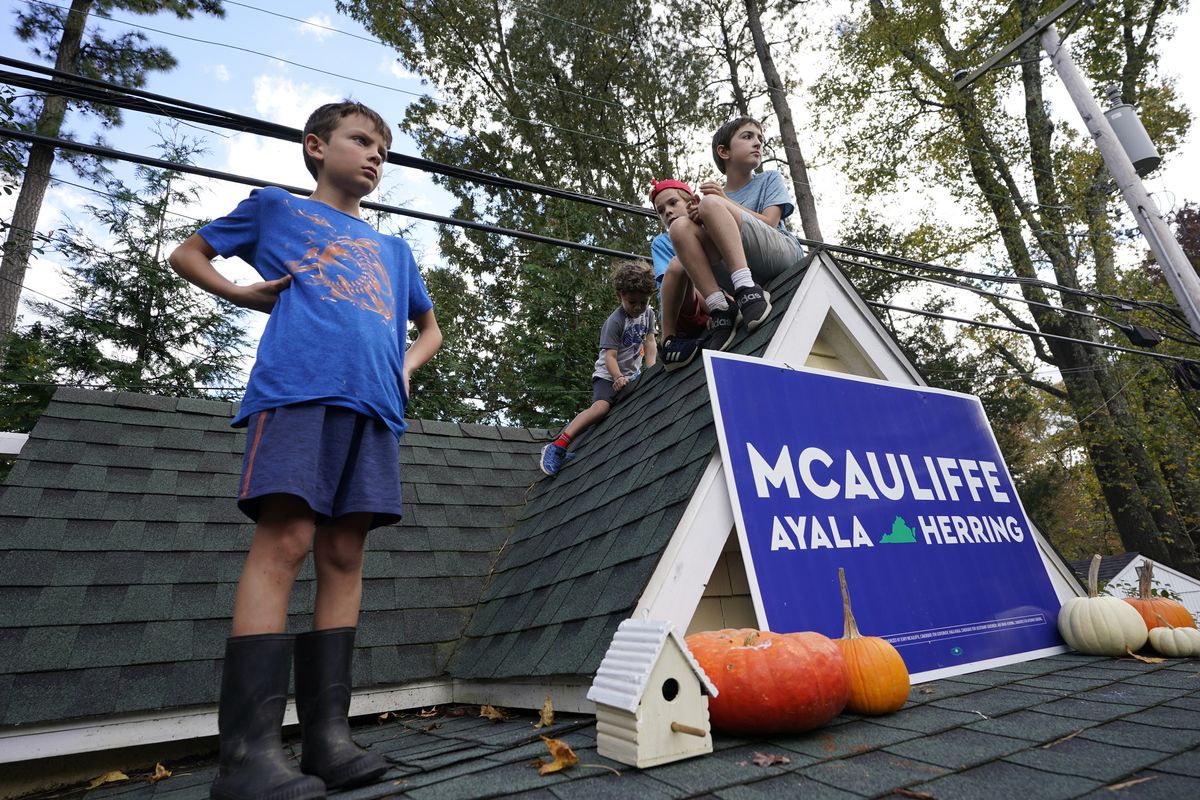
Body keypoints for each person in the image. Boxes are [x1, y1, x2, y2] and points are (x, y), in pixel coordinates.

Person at [169, 100, 442, 800]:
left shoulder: (395, 251)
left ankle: (328, 739)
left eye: (383, 148)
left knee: (345, 552)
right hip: (297, 392)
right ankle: (248, 757)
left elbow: (430, 329)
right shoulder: (276, 210)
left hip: (376, 408)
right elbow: (187, 253)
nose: (375, 155)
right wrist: (240, 291)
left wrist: (404, 369)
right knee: (286, 537)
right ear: (316, 147)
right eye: (361, 141)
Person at [658, 116, 804, 364]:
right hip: (735, 274)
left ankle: (747, 289)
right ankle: (720, 307)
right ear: (724, 151)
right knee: (681, 226)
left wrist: (724, 202)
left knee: (711, 204)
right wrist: (700, 222)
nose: (757, 143)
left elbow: (769, 223)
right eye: (747, 137)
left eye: (760, 138)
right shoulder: (712, 199)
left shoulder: (768, 179)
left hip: (779, 254)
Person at [540, 260, 658, 476]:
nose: (638, 307)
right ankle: (558, 446)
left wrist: (651, 370)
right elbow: (610, 356)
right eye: (633, 302)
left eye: (644, 302)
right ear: (619, 296)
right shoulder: (615, 321)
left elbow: (649, 343)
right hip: (607, 375)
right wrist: (617, 377)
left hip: (632, 373)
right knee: (601, 409)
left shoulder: (648, 314)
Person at [649, 179, 711, 372]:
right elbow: (676, 280)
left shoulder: (707, 230)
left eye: (673, 203)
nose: (667, 211)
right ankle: (668, 341)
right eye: (660, 210)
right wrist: (715, 307)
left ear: (691, 203)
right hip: (684, 309)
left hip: (713, 302)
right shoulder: (662, 242)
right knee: (678, 264)